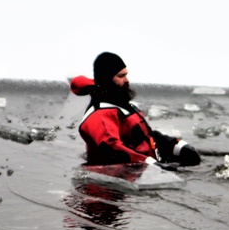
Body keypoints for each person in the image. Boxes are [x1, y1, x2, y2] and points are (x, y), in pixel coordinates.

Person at [70, 52, 201, 168]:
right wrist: (149, 163)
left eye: (126, 75)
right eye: (121, 76)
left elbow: (144, 135)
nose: (127, 80)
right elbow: (111, 148)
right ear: (107, 79)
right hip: (123, 175)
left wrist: (176, 146)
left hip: (149, 165)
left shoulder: (121, 104)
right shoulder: (99, 115)